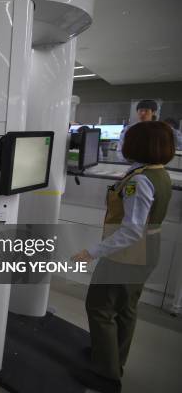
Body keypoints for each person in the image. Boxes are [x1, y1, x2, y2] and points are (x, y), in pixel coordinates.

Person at [72, 121, 174, 393]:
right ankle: (112, 358)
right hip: (150, 247)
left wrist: (90, 252)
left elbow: (130, 231)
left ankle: (106, 375)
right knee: (126, 308)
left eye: (128, 139)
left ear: (139, 145)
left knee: (100, 307)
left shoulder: (138, 181)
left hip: (129, 253)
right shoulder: (158, 173)